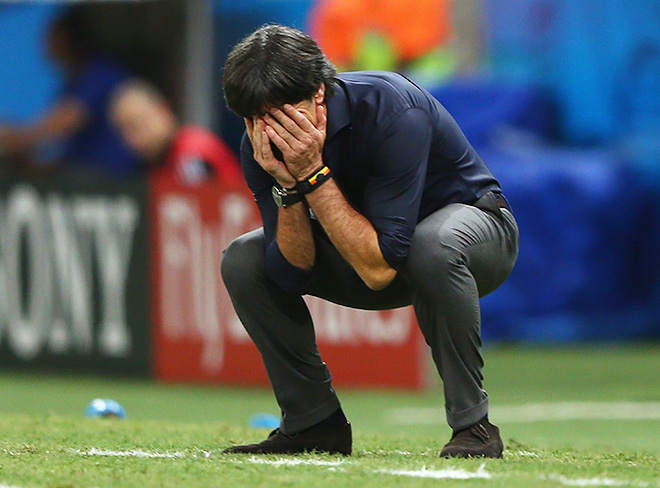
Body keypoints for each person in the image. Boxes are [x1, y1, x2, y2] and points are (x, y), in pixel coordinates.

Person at [220, 24, 519, 458]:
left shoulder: (392, 107)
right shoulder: (259, 142)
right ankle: (313, 424)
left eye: (282, 113)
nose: (272, 130)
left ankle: (474, 426)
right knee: (242, 259)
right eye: (255, 118)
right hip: (376, 255)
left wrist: (313, 174)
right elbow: (289, 273)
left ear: (318, 94)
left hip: (477, 239)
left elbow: (380, 268)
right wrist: (288, 187)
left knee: (432, 245)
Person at [0, 8, 137, 178]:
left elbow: (70, 118)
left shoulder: (101, 72)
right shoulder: (69, 83)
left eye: (52, 36)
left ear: (66, 38)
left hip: (113, 177)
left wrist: (20, 138)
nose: (45, 43)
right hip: (82, 171)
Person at [109, 80, 243, 187]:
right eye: (124, 130)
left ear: (163, 110)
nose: (134, 138)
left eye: (138, 124)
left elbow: (203, 206)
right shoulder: (153, 163)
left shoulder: (192, 152)